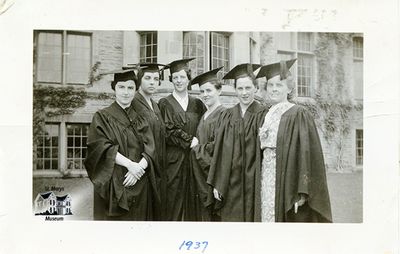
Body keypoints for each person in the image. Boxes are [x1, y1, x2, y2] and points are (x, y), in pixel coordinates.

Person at [257, 59, 332, 222]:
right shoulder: (264, 115)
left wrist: (302, 190)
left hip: (287, 181)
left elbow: (306, 154)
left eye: (279, 85)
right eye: (270, 85)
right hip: (266, 178)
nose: (274, 89)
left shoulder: (299, 114)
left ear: (289, 88)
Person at [84, 69, 160, 220]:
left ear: (135, 90)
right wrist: (130, 166)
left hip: (140, 181)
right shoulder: (102, 117)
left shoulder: (141, 118)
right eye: (121, 87)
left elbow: (151, 147)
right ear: (114, 88)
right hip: (116, 183)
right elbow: (101, 147)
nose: (126, 92)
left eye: (130, 88)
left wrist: (138, 169)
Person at [207, 63, 267, 222]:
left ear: (256, 88)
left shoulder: (264, 115)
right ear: (235, 90)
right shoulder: (227, 116)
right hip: (231, 183)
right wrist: (218, 183)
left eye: (248, 88)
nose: (244, 93)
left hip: (254, 182)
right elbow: (219, 151)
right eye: (240, 89)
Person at [158, 58, 207, 221]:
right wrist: (189, 140)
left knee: (194, 201)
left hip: (194, 160)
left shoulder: (198, 104)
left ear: (188, 78)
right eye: (175, 77)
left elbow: (204, 127)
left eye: (182, 77)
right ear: (171, 79)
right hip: (174, 162)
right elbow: (167, 131)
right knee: (173, 203)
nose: (179, 80)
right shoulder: (164, 103)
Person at [131, 63, 167, 221]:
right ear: (139, 80)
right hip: (142, 168)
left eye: (156, 78)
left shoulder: (155, 105)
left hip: (157, 167)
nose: (152, 82)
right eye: (148, 78)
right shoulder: (133, 103)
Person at [189, 67, 226, 221]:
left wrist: (196, 149)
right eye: (202, 92)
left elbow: (219, 147)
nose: (205, 95)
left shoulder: (224, 114)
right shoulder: (204, 115)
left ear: (219, 90)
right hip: (201, 174)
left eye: (209, 90)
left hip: (213, 174)